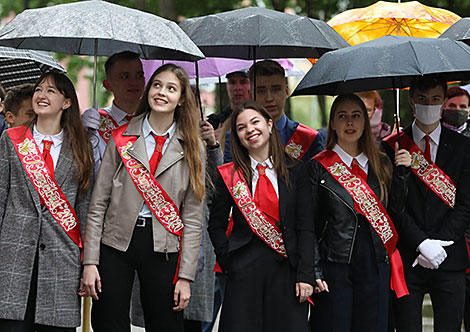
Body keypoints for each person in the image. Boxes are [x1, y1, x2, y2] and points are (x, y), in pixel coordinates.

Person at [81, 63, 205, 332]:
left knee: (166, 324)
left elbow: (194, 218)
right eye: (157, 85)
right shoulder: (121, 138)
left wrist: (185, 276)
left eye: (171, 88)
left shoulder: (193, 147)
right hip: (115, 243)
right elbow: (98, 203)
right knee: (108, 322)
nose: (162, 92)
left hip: (164, 246)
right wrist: (90, 261)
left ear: (182, 98)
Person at [209, 101, 316, 332]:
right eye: (241, 127)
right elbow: (215, 224)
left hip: (287, 270)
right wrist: (228, 260)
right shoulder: (230, 175)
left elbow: (306, 227)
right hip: (244, 271)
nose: (250, 130)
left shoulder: (296, 170)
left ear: (269, 124)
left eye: (255, 122)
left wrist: (306, 274)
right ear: (237, 136)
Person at [0, 72, 94, 331]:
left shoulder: (81, 147)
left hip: (62, 259)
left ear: (66, 102)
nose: (42, 95)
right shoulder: (11, 140)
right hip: (12, 257)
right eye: (39, 89)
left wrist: (89, 263)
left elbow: (84, 209)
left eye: (51, 91)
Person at [309, 94, 411, 332]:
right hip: (335, 261)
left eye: (356, 116)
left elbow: (395, 213)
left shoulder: (383, 163)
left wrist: (402, 175)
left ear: (366, 122)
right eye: (342, 116)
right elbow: (309, 225)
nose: (350, 123)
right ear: (332, 123)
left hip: (375, 260)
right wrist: (313, 269)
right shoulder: (316, 166)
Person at [382, 76, 470, 332]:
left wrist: (438, 245)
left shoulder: (464, 147)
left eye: (435, 100)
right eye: (422, 100)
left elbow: (465, 205)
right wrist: (421, 243)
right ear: (411, 101)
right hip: (408, 257)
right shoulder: (391, 147)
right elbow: (392, 206)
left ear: (443, 103)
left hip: (450, 257)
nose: (428, 105)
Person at [223, 60, 326, 163]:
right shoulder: (236, 138)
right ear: (251, 95)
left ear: (286, 92)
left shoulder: (308, 138)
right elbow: (229, 177)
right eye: (261, 91)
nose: (269, 98)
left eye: (276, 90)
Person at [81, 51, 145, 175]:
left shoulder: (154, 119)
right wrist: (83, 135)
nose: (134, 82)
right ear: (107, 85)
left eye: (139, 75)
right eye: (125, 76)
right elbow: (88, 172)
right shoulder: (97, 121)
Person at [207, 70, 250, 151]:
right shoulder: (214, 123)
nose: (237, 88)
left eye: (243, 82)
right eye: (232, 82)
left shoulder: (263, 118)